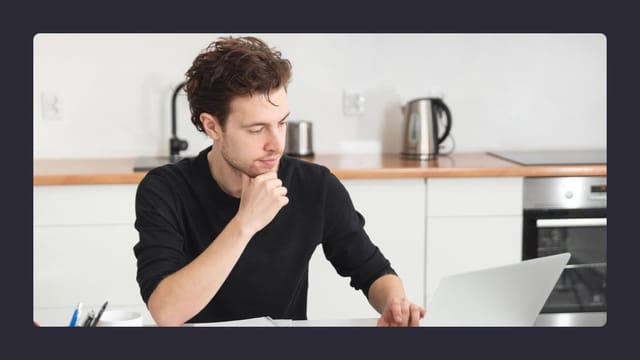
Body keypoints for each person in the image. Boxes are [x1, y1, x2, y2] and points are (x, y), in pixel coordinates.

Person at [133, 36, 425, 326]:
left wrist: (394, 304)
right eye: (257, 129)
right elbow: (166, 312)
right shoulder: (165, 189)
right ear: (212, 126)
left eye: (282, 123)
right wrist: (244, 224)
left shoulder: (315, 186)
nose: (276, 144)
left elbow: (372, 270)